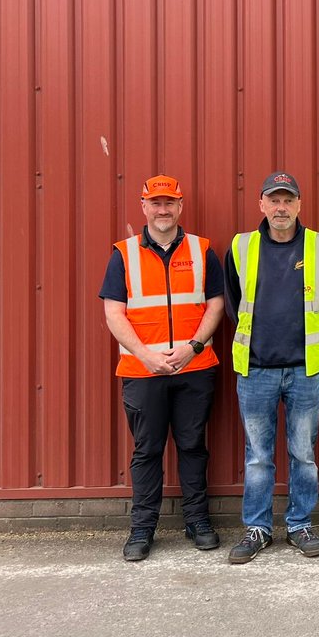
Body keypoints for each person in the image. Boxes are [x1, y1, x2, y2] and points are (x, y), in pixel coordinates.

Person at [100, 175, 225, 561]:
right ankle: (141, 530)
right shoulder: (124, 254)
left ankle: (197, 522)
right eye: (156, 203)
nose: (163, 209)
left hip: (195, 368)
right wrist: (145, 355)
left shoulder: (202, 250)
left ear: (181, 206)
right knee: (147, 450)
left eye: (170, 202)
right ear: (143, 206)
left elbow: (216, 304)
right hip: (143, 372)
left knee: (192, 446)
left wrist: (193, 347)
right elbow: (113, 313)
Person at [224, 171, 319, 563]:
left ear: (299, 205)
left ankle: (299, 525)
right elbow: (231, 302)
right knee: (258, 455)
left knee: (303, 454)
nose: (280, 207)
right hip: (255, 368)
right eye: (273, 200)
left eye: (287, 200)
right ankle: (257, 528)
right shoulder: (241, 247)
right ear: (261, 204)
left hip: (305, 369)